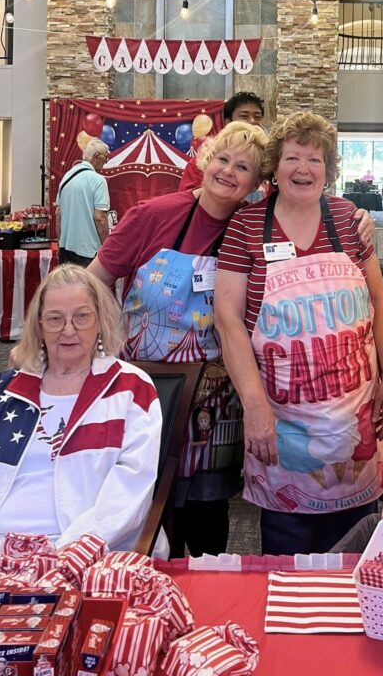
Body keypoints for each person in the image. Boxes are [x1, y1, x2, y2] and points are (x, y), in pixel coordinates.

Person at [214, 111, 383, 555]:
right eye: (293, 158)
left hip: (355, 425)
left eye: (315, 160)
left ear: (329, 169)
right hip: (282, 431)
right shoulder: (246, 226)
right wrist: (254, 405)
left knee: (358, 556)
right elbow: (228, 321)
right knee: (287, 565)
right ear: (274, 170)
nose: (304, 169)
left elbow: (379, 301)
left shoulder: (349, 221)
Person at [87, 122, 270, 558]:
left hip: (215, 399)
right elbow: (93, 283)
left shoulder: (251, 233)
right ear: (206, 160)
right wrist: (99, 352)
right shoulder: (152, 215)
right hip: (144, 393)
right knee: (142, 514)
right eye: (222, 159)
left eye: (242, 167)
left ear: (256, 184)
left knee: (208, 524)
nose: (227, 171)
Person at [0, 265, 162, 551]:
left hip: (86, 551)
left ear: (100, 322)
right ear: (39, 327)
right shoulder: (7, 390)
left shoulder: (130, 388)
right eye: (55, 319)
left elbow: (131, 488)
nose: (68, 330)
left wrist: (65, 553)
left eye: (81, 317)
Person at [178, 91, 265, 192]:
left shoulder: (270, 161)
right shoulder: (202, 161)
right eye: (244, 116)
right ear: (228, 122)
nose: (252, 121)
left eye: (257, 117)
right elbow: (187, 200)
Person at [55, 138, 111, 266]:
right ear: (97, 156)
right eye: (105, 159)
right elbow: (100, 218)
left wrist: (60, 243)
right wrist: (108, 247)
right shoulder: (98, 180)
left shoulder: (66, 177)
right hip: (88, 252)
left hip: (65, 250)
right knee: (89, 286)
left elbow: (58, 214)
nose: (105, 163)